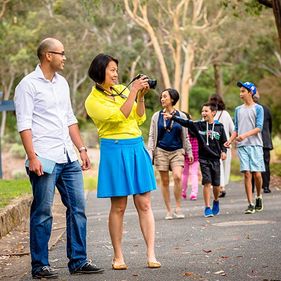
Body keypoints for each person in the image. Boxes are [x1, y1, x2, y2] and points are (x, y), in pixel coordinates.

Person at [14, 38, 104, 279]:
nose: (65, 57)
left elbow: (69, 119)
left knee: (78, 208)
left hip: (67, 156)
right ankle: (40, 265)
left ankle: (78, 260)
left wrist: (82, 149)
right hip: (43, 157)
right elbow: (24, 124)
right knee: (43, 211)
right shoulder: (27, 85)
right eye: (61, 53)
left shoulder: (62, 83)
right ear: (48, 56)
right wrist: (32, 157)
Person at [85, 54, 161, 270]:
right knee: (118, 206)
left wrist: (140, 97)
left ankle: (151, 254)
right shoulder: (93, 101)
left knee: (144, 203)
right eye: (111, 70)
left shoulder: (124, 91)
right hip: (114, 149)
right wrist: (133, 92)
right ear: (100, 72)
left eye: (116, 70)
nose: (116, 73)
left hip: (136, 146)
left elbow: (138, 118)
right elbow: (120, 116)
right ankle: (118, 256)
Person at [163, 102, 227, 218]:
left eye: (206, 111)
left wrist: (224, 152)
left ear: (213, 113)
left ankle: (216, 200)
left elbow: (224, 142)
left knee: (216, 185)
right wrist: (172, 117)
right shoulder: (199, 125)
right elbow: (186, 123)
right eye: (202, 111)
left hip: (215, 159)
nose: (203, 113)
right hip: (203, 159)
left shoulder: (220, 127)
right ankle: (207, 207)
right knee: (206, 182)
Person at [147, 89, 193, 220]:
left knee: (178, 177)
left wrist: (188, 151)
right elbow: (151, 136)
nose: (162, 99)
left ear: (172, 99)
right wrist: (150, 152)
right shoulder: (156, 116)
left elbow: (186, 136)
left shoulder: (181, 116)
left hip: (177, 150)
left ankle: (178, 207)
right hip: (161, 151)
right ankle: (169, 210)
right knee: (165, 181)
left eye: (165, 96)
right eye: (161, 97)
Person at [225, 81, 265, 214]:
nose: (240, 93)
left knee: (257, 174)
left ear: (250, 92)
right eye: (240, 91)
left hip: (256, 145)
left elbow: (259, 127)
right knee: (247, 174)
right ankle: (250, 203)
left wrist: (245, 135)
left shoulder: (258, 109)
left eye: (243, 91)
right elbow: (236, 128)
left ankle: (259, 196)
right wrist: (230, 140)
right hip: (242, 146)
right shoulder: (238, 110)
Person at [208, 94, 234, 198]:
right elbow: (233, 129)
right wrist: (231, 140)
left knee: (216, 167)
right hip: (226, 145)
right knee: (225, 167)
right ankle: (222, 187)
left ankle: (220, 186)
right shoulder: (226, 114)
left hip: (213, 146)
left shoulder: (208, 113)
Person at [251, 91, 273, 194]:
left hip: (253, 141)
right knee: (265, 164)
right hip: (265, 141)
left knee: (252, 164)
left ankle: (252, 187)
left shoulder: (248, 109)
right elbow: (270, 126)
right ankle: (266, 186)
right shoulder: (266, 109)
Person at [181, 113, 200, 201]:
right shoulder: (196, 127)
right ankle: (194, 193)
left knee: (184, 174)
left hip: (185, 154)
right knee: (194, 173)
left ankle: (183, 192)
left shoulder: (182, 128)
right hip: (195, 153)